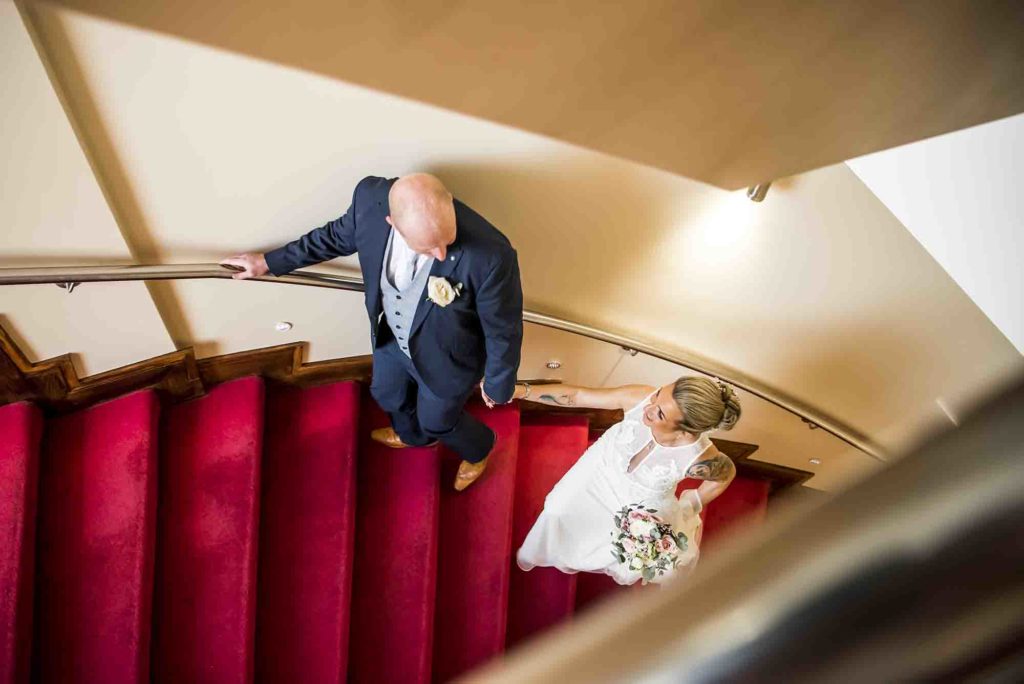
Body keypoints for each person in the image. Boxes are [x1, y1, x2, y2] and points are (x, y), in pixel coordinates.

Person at [222, 174, 523, 490]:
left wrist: (498, 383)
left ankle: (479, 449)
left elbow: (504, 328)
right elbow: (331, 238)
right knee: (386, 393)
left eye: (445, 241)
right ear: (392, 222)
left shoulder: (492, 255)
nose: (441, 255)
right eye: (428, 247)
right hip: (392, 338)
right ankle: (413, 437)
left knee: (439, 421)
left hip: (448, 359)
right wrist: (267, 262)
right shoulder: (369, 202)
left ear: (449, 203)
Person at [511, 376, 741, 584]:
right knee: (556, 508)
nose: (648, 408)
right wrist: (522, 391)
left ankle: (579, 557)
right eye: (658, 395)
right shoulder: (641, 398)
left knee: (609, 547)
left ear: (685, 432)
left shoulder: (698, 458)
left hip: (637, 504)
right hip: (602, 467)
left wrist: (692, 504)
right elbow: (577, 395)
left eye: (660, 413)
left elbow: (725, 475)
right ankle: (544, 550)